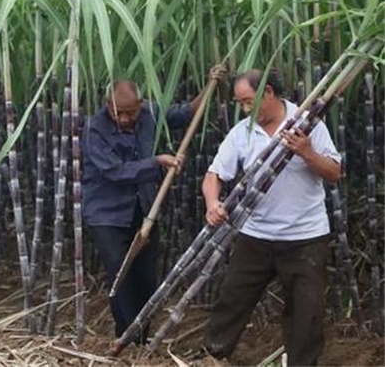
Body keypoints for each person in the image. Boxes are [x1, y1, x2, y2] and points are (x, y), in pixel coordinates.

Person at [202, 69, 341, 366]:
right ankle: (214, 357)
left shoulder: (307, 122)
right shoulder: (242, 131)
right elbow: (214, 174)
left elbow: (334, 173)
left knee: (307, 311)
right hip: (256, 234)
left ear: (268, 92)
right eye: (240, 103)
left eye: (248, 101)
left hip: (305, 236)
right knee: (233, 298)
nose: (244, 109)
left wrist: (307, 152)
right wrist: (212, 202)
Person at [81, 66, 226, 342]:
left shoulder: (150, 113)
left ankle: (142, 333)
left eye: (130, 112)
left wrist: (210, 84)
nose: (124, 118)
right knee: (120, 273)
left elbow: (187, 113)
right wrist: (157, 162)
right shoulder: (93, 129)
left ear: (140, 103)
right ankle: (127, 337)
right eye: (117, 113)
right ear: (106, 106)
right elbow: (115, 171)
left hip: (145, 208)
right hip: (107, 214)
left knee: (146, 276)